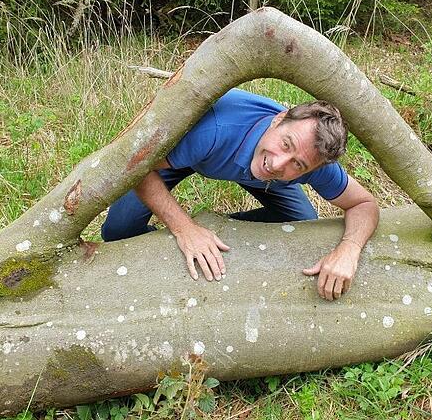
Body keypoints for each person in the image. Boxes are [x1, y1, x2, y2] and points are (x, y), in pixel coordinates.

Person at [102, 89, 379, 300]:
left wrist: (349, 250)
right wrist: (184, 228)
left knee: (302, 221)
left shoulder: (313, 158)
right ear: (278, 120)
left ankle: (215, 234)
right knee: (118, 230)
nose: (280, 163)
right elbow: (137, 166)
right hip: (188, 154)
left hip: (247, 166)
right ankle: (191, 235)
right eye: (286, 144)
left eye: (299, 164)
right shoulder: (214, 130)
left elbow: (364, 204)